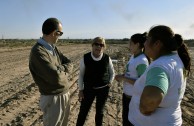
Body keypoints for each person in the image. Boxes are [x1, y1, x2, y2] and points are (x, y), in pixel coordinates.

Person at [128, 25, 191, 126]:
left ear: (157, 44)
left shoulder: (160, 66)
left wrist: (144, 110)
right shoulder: (175, 60)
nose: (144, 43)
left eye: (147, 40)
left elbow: (150, 100)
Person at [29, 18, 73, 126]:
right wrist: (64, 70)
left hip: (64, 94)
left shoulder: (53, 48)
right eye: (60, 33)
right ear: (54, 33)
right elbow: (55, 77)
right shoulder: (38, 51)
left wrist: (60, 69)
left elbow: (70, 63)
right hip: (52, 99)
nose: (60, 36)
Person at [76, 37, 115, 126]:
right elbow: (81, 75)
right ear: (92, 45)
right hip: (89, 89)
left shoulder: (107, 58)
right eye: (96, 44)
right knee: (83, 111)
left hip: (103, 90)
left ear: (103, 47)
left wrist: (110, 82)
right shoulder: (85, 58)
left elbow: (112, 72)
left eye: (101, 45)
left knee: (100, 113)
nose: (98, 47)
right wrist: (81, 90)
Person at [115, 32, 149, 126]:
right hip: (127, 96)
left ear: (137, 44)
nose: (128, 45)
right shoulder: (134, 57)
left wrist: (123, 78)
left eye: (130, 43)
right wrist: (122, 75)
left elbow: (142, 83)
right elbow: (131, 73)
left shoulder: (142, 61)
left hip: (134, 99)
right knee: (125, 121)